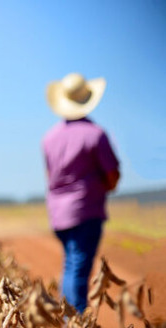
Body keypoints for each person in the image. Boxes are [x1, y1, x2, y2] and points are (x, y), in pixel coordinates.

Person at [42, 72, 120, 313]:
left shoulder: (49, 138)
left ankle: (69, 319)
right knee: (78, 267)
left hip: (58, 212)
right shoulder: (95, 134)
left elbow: (50, 176)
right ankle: (76, 324)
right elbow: (112, 174)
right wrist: (105, 187)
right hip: (86, 211)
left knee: (71, 264)